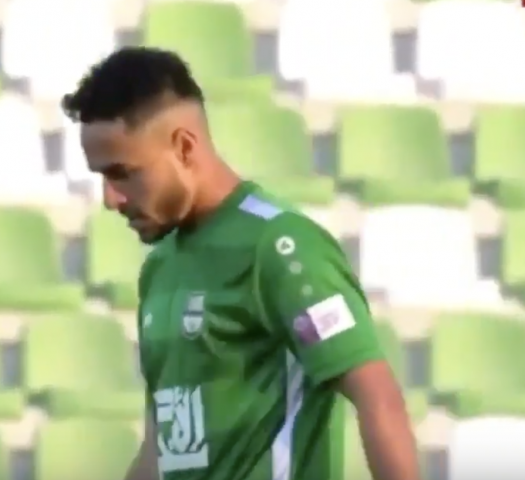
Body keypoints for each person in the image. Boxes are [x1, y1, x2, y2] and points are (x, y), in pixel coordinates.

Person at [61, 47, 421, 480]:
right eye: (101, 176)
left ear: (184, 147)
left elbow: (377, 396)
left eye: (122, 173)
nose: (110, 198)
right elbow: (164, 446)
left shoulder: (280, 247)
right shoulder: (160, 269)